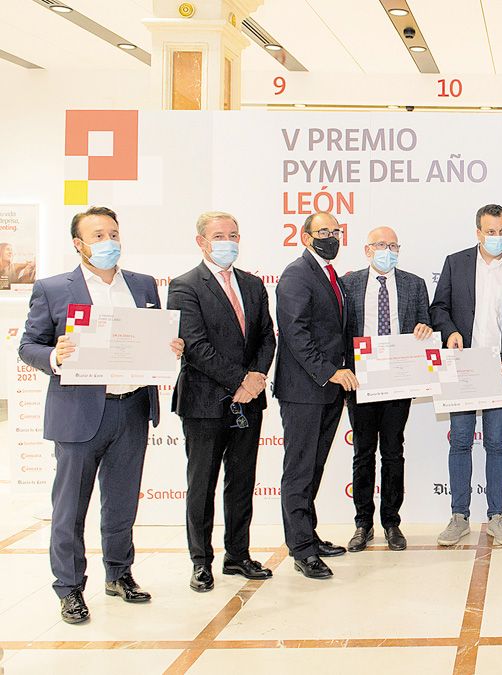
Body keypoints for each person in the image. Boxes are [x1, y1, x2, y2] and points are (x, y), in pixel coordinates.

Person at [19, 206, 182, 624]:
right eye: (98, 235)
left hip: (131, 410)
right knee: (70, 508)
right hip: (78, 415)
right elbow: (28, 345)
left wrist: (170, 348)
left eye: (113, 233)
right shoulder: (54, 288)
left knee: (122, 503)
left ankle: (119, 573)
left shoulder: (143, 285)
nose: (108, 242)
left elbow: (154, 337)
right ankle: (70, 588)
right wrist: (55, 355)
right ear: (79, 244)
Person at [168, 211, 276, 592]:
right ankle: (201, 561)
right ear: (201, 241)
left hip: (249, 400)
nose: (228, 241)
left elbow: (267, 337)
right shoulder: (185, 286)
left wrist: (255, 379)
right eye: (219, 235)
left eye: (233, 234)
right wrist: (240, 379)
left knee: (242, 480)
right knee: (202, 484)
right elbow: (195, 346)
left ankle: (238, 555)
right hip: (204, 402)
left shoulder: (252, 284)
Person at [429, 204, 502, 548]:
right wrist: (450, 331)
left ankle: (497, 516)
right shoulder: (457, 262)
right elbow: (438, 308)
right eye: (491, 232)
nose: (497, 238)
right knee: (461, 441)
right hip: (463, 368)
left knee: (497, 443)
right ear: (478, 233)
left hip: (501, 370)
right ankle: (459, 517)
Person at [274, 211, 358, 579]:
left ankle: (308, 535)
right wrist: (330, 372)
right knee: (299, 470)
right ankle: (301, 549)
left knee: (314, 467)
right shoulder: (296, 274)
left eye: (336, 231)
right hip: (304, 391)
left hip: (327, 393)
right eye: (323, 231)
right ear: (305, 237)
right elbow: (296, 334)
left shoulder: (330, 275)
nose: (331, 236)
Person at [341, 226, 432, 553]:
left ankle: (392, 522)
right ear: (367, 250)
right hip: (361, 379)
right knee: (363, 451)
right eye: (381, 245)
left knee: (393, 450)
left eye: (393, 245)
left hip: (399, 378)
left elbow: (426, 324)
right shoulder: (347, 284)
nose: (387, 250)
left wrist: (425, 327)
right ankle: (362, 523)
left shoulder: (414, 284)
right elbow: (340, 332)